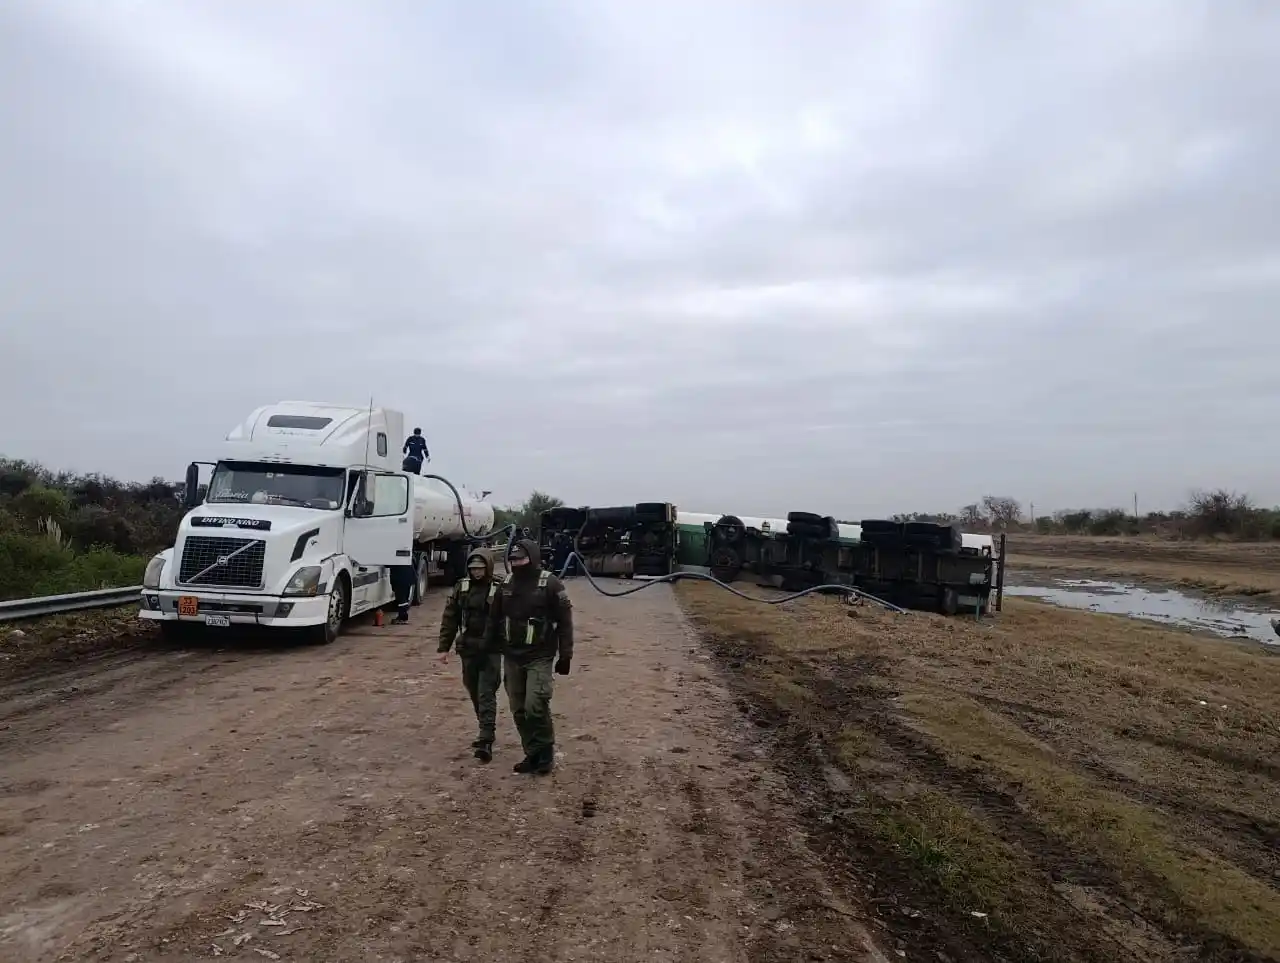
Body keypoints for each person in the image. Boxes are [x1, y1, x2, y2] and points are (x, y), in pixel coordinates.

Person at [484, 538, 573, 775]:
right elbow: (493, 619)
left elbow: (565, 623)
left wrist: (565, 655)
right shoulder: (506, 584)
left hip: (540, 656)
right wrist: (486, 647)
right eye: (513, 560)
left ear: (532, 559)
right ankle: (533, 753)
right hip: (512, 656)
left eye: (521, 559)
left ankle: (545, 752)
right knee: (518, 709)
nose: (517, 564)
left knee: (535, 704)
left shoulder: (551, 584)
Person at [437, 550, 505, 762]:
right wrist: (443, 647)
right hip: (468, 648)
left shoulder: (500, 588)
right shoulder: (462, 588)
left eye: (481, 568)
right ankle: (485, 727)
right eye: (473, 568)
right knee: (474, 690)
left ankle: (486, 738)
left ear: (489, 567)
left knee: (486, 693)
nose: (477, 572)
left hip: (491, 649)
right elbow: (450, 617)